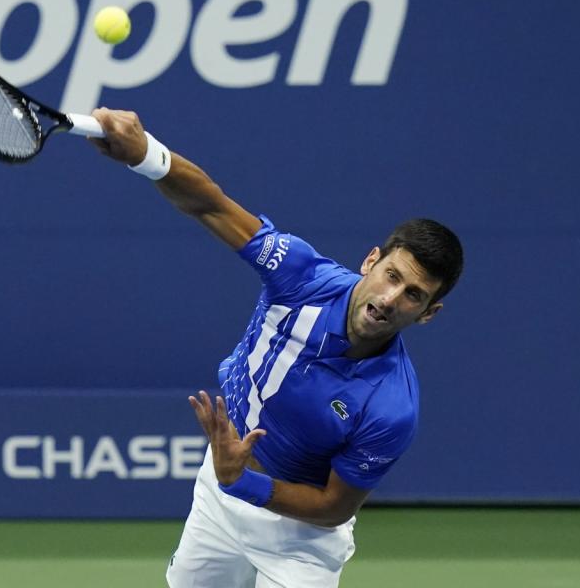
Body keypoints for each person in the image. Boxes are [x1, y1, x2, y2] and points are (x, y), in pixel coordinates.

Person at [88, 108, 464, 588]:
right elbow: (212, 206)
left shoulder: (393, 407)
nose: (390, 299)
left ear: (428, 313)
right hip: (220, 500)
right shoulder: (302, 277)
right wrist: (146, 155)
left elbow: (333, 507)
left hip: (301, 542)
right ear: (371, 261)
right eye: (391, 276)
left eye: (413, 295)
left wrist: (240, 479)